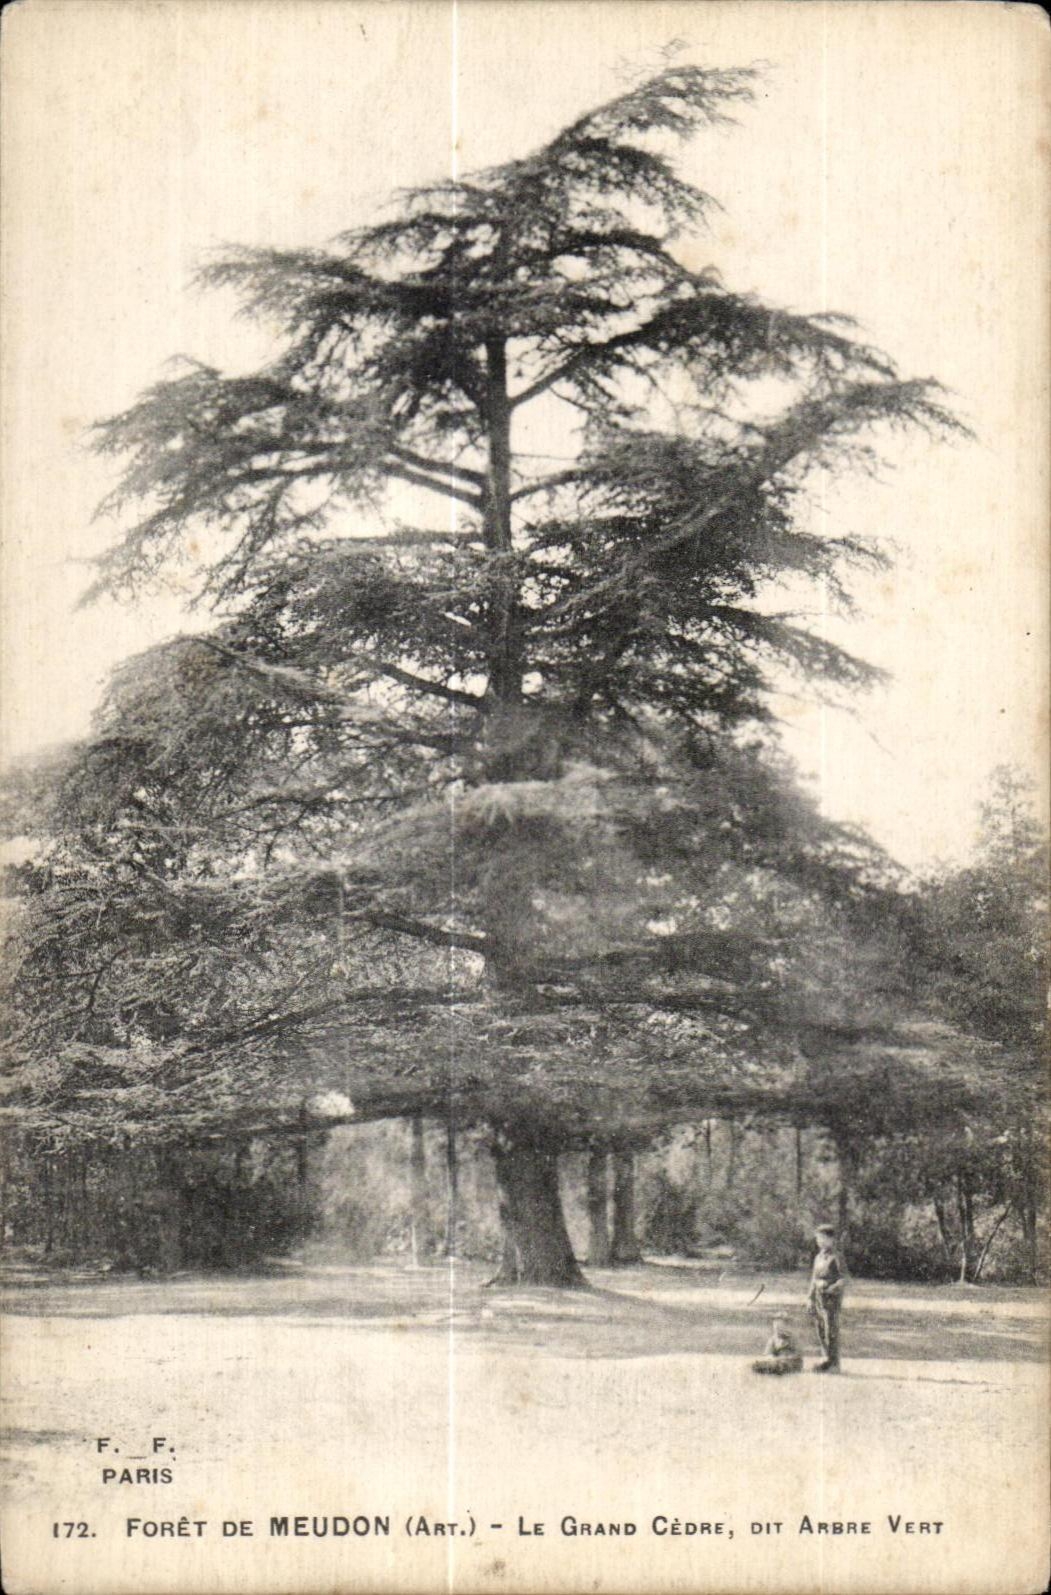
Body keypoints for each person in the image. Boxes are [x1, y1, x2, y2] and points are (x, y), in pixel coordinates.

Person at [806, 1223, 845, 1372]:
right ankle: (825, 1359)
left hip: (831, 1299)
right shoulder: (818, 1257)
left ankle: (834, 1363)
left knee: (831, 1330)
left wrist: (829, 1287)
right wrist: (809, 1298)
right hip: (818, 1298)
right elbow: (813, 1279)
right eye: (818, 1239)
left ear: (831, 1239)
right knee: (820, 1328)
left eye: (822, 1238)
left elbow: (843, 1280)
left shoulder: (836, 1257)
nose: (819, 1242)